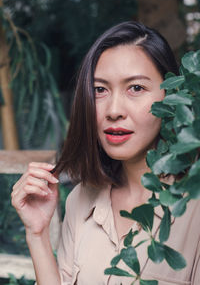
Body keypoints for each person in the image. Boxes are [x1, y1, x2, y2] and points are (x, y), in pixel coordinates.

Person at [11, 21, 200, 285]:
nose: (113, 110)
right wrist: (37, 234)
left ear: (172, 95)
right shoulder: (80, 200)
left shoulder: (193, 205)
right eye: (100, 90)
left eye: (136, 88)